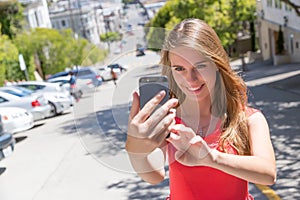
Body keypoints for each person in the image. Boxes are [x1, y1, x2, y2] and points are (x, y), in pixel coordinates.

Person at [125, 18, 276, 199]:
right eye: (179, 68)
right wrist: (135, 150)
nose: (191, 78)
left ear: (217, 65)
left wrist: (210, 158)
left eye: (200, 66)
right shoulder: (168, 119)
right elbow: (155, 175)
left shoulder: (249, 118)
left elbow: (268, 174)